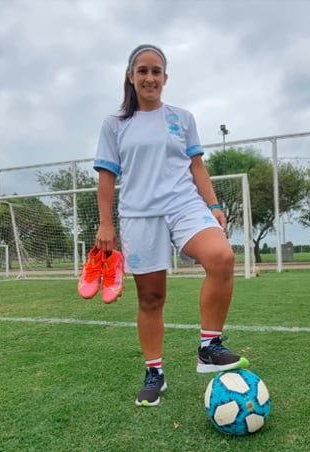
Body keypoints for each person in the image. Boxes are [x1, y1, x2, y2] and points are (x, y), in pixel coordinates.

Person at [93, 44, 249, 407]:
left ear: (165, 77)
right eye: (143, 71)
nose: (150, 78)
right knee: (151, 298)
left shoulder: (182, 118)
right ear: (131, 77)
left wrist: (212, 205)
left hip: (183, 204)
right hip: (139, 214)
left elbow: (197, 166)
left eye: (157, 71)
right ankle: (154, 373)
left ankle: (209, 346)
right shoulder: (114, 124)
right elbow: (106, 178)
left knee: (221, 256)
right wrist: (106, 224)